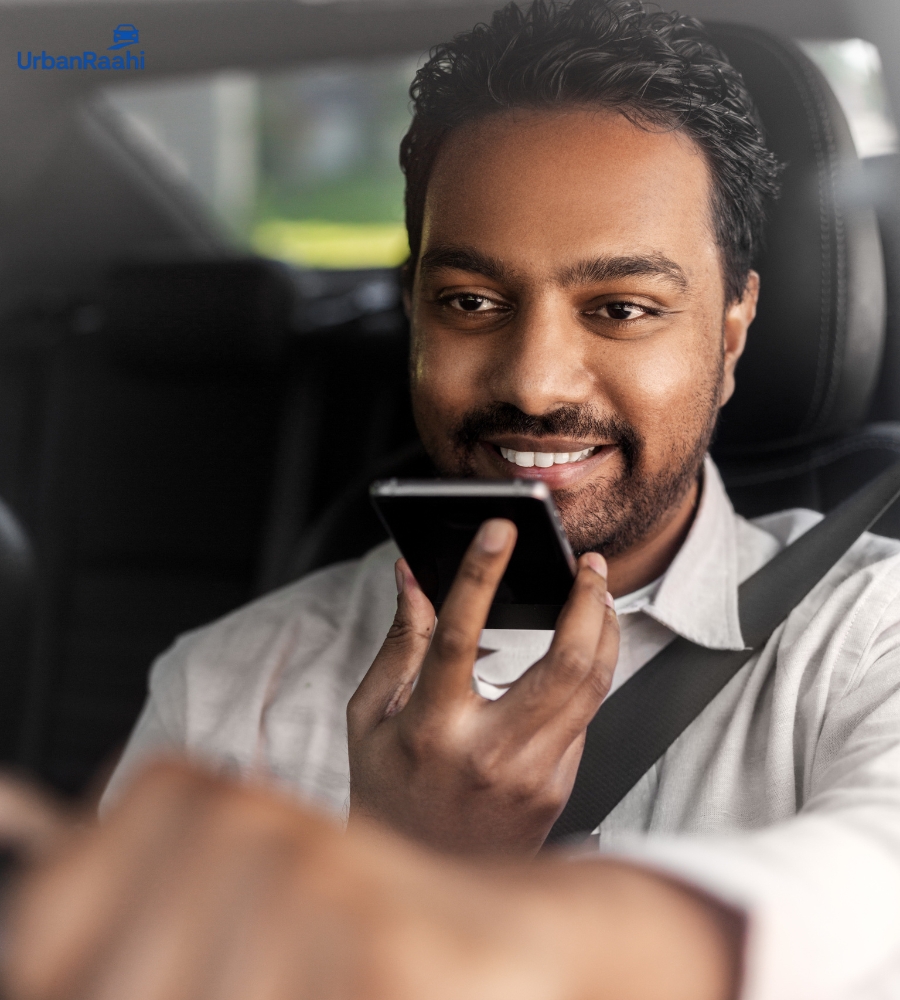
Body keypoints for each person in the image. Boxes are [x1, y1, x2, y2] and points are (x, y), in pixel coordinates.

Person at [96, 0, 900, 995]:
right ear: (414, 314)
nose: (535, 381)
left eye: (621, 309)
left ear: (731, 333)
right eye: (472, 302)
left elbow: (873, 888)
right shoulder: (230, 687)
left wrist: (438, 902)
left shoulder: (869, 640)